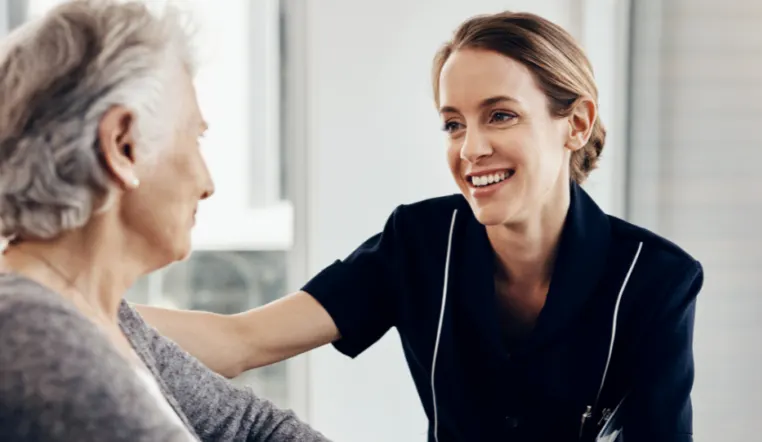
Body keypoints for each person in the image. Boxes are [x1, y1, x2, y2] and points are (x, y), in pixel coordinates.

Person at [137, 10, 703, 442]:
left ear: (575, 123)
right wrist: (73, 300)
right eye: (453, 124)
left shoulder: (656, 278)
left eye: (500, 115)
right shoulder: (419, 242)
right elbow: (242, 341)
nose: (471, 148)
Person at [0, 1, 329, 441]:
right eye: (195, 138)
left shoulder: (106, 316)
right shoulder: (32, 336)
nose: (207, 182)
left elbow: (251, 427)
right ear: (123, 145)